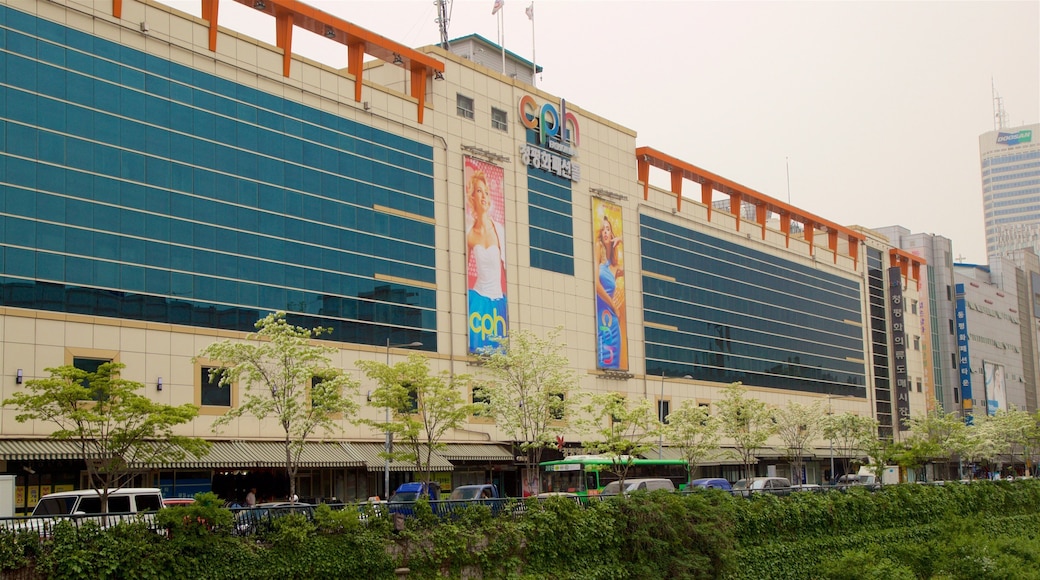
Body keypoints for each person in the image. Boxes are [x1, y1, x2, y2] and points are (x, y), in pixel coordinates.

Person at [465, 169, 507, 353]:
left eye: (486, 192)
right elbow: (463, 270)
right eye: (479, 191)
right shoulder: (469, 233)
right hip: (479, 301)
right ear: (472, 197)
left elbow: (506, 269)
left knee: (499, 351)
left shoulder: (499, 229)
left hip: (498, 301)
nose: (484, 196)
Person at [594, 212, 626, 369]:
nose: (605, 232)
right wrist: (614, 306)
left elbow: (635, 269)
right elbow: (595, 284)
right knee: (602, 363)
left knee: (614, 368)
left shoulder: (616, 267)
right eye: (603, 229)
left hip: (613, 324)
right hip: (602, 318)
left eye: (608, 229)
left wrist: (622, 241)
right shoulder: (597, 251)